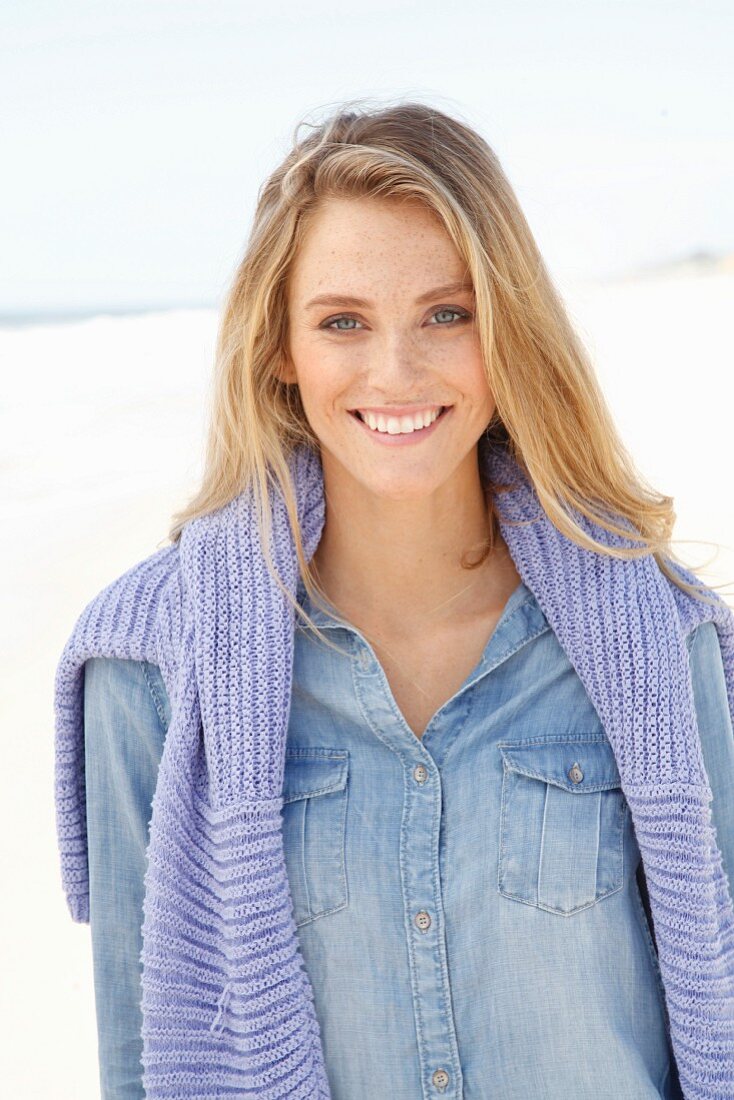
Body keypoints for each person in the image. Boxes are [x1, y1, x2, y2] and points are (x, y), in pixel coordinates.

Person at [56, 100, 734, 1100]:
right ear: (279, 348)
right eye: (341, 322)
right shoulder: (150, 670)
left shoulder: (653, 638)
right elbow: (139, 1055)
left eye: (445, 314)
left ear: (506, 328)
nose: (395, 371)